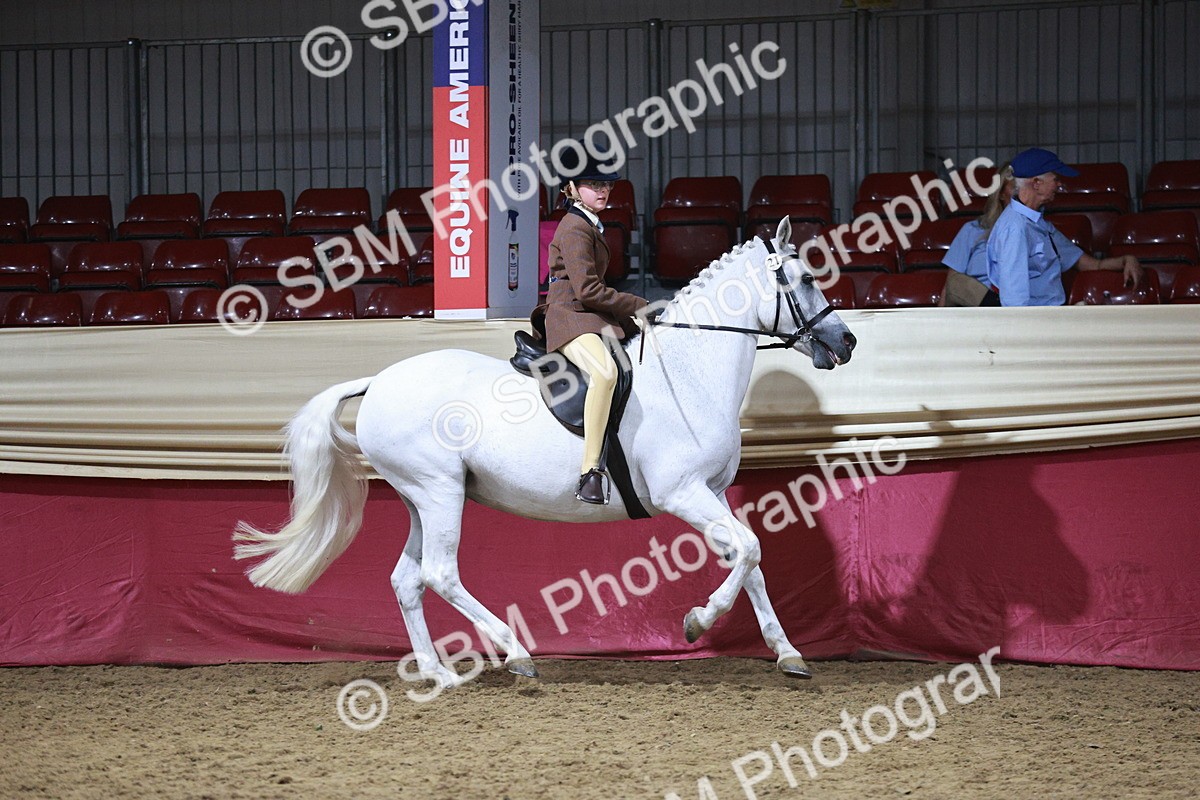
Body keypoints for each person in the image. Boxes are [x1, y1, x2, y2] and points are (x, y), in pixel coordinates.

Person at [536, 153, 648, 505]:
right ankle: (590, 473)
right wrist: (636, 305)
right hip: (570, 316)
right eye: (594, 184)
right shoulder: (574, 228)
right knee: (604, 372)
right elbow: (587, 290)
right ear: (572, 188)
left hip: (589, 316)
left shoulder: (591, 223)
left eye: (607, 184)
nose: (604, 191)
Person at [986, 148, 1142, 306]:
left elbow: (1089, 264)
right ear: (1036, 183)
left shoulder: (1038, 224)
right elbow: (1015, 301)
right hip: (1037, 323)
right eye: (1055, 179)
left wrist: (1126, 260)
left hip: (1049, 317)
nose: (1059, 185)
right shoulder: (1015, 228)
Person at [940, 162, 1013, 307]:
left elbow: (1071, 258)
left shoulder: (1045, 231)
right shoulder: (973, 229)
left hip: (1021, 303)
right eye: (1015, 188)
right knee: (956, 283)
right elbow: (951, 286)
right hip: (980, 305)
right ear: (1002, 193)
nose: (1020, 194)